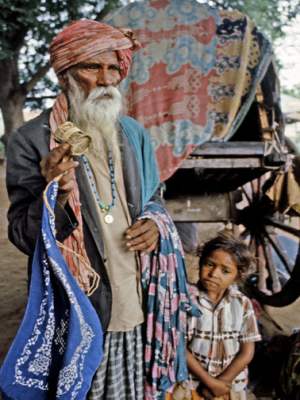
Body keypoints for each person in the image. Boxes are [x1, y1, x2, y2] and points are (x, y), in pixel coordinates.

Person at [5, 19, 165, 399]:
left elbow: (156, 197)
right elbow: (23, 235)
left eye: (114, 67)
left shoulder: (132, 133)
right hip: (78, 297)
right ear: (66, 75)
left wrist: (155, 223)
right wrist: (55, 192)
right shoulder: (31, 140)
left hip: (133, 288)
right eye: (93, 67)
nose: (107, 78)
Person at [183, 234, 261, 400]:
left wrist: (222, 382)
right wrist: (209, 382)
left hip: (230, 385)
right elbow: (179, 348)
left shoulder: (243, 304)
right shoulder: (187, 302)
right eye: (209, 264)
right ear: (200, 262)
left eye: (225, 271)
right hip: (192, 384)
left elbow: (247, 352)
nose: (214, 274)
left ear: (238, 276)